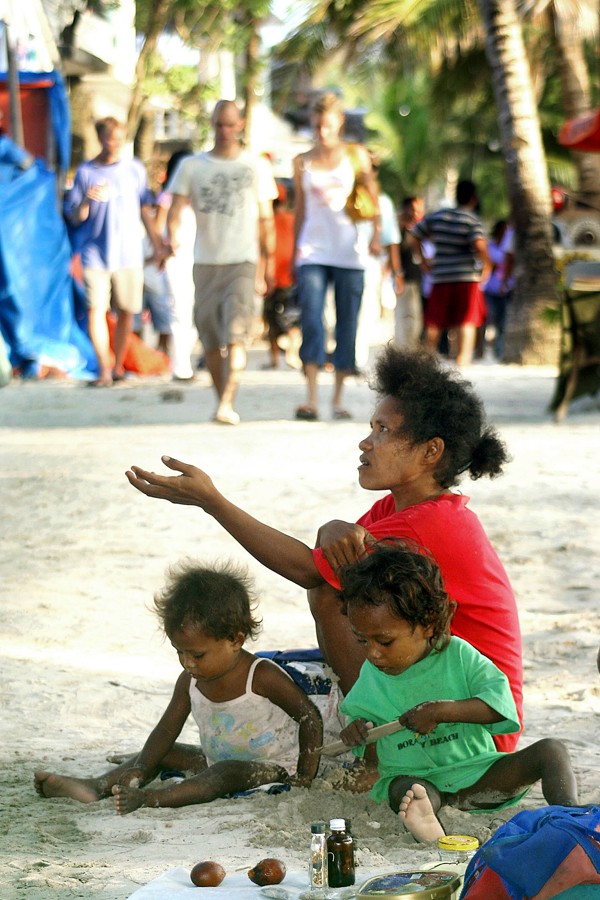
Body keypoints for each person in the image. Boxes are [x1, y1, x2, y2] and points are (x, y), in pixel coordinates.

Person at [125, 346, 523, 753]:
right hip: (446, 695)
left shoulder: (430, 523)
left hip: (478, 720)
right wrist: (329, 528)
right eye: (371, 428)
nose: (366, 443)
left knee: (334, 592)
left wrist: (214, 502)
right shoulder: (403, 506)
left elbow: (310, 572)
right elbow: (331, 550)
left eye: (383, 431)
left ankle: (371, 749)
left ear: (430, 451)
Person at [34, 559, 323, 814]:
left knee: (224, 773)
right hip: (214, 758)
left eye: (197, 654)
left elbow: (310, 717)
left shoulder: (260, 676)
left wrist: (304, 776)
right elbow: (165, 730)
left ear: (236, 640)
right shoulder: (189, 681)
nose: (187, 663)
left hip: (272, 765)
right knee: (165, 751)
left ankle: (150, 798)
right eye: (179, 652)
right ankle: (96, 786)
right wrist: (141, 766)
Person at [336, 541, 578, 842]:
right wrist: (356, 732)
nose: (372, 654)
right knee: (402, 789)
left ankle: (572, 816)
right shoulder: (371, 676)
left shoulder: (459, 656)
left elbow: (499, 708)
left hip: (480, 776)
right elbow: (367, 737)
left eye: (384, 642)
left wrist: (441, 711)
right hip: (423, 785)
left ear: (428, 624)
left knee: (552, 750)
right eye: (362, 641)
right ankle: (426, 819)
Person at [166, 100, 277, 424]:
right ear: (212, 125)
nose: (225, 131)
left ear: (240, 125)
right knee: (211, 338)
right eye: (219, 125)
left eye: (230, 124)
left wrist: (266, 267)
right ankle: (221, 398)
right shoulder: (191, 165)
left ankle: (227, 402)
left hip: (243, 261)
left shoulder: (255, 166)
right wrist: (171, 236)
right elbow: (175, 208)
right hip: (205, 262)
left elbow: (266, 219)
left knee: (236, 334)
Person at [293, 92, 380, 420]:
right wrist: (293, 251)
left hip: (350, 250)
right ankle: (312, 398)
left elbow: (373, 196)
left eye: (327, 124)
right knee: (312, 320)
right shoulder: (301, 160)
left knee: (347, 322)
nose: (321, 131)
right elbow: (300, 209)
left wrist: (375, 236)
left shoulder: (356, 155)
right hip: (312, 250)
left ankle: (339, 399)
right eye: (316, 125)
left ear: (339, 122)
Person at [64, 117, 163, 386]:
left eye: (119, 138)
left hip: (129, 254)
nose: (115, 144)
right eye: (110, 138)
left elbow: (145, 209)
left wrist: (157, 243)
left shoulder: (135, 170)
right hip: (95, 253)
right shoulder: (86, 172)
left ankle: (118, 366)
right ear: (100, 138)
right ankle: (104, 370)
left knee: (126, 311)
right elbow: (75, 216)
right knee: (96, 309)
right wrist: (87, 199)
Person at [410, 180, 490, 366]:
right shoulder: (471, 219)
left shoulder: (439, 216)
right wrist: (487, 265)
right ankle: (463, 359)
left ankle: (427, 359)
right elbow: (479, 245)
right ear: (473, 198)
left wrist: (422, 260)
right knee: (466, 320)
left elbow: (414, 234)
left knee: (435, 320)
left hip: (441, 276)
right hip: (466, 278)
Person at [154, 150, 198, 381]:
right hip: (177, 260)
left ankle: (185, 361)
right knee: (179, 312)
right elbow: (159, 226)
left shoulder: (199, 196)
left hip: (199, 258)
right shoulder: (168, 197)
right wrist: (164, 249)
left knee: (194, 313)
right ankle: (181, 366)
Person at [262, 181, 302, 370]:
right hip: (282, 276)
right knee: (289, 319)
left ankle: (278, 358)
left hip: (277, 277)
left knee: (277, 319)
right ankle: (285, 356)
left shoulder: (265, 221)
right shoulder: (291, 219)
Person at [395, 196, 425, 349]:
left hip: (418, 279)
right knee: (404, 315)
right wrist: (397, 273)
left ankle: (411, 348)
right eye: (413, 208)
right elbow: (394, 254)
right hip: (404, 278)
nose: (416, 212)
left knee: (415, 317)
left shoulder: (420, 230)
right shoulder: (399, 230)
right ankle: (403, 349)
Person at [483, 220, 515, 361]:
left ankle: (499, 351)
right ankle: (482, 350)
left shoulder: (508, 248)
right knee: (488, 319)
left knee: (503, 322)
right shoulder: (489, 247)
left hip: (506, 289)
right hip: (490, 288)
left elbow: (507, 263)